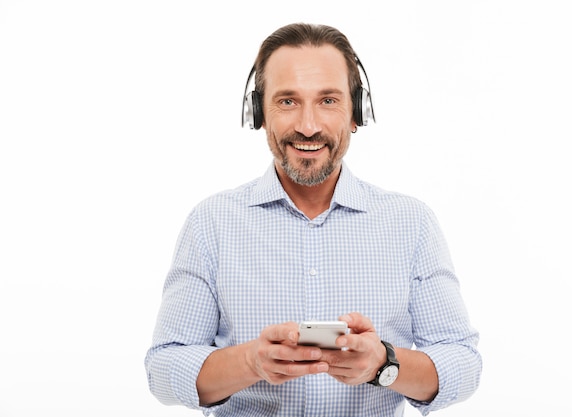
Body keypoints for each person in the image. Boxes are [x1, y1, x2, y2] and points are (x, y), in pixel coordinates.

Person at [145, 22, 481, 417]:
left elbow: (463, 362)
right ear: (259, 114)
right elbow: (164, 369)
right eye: (287, 101)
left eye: (328, 101)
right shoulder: (211, 223)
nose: (308, 126)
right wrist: (251, 362)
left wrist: (382, 364)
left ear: (357, 112)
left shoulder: (412, 223)